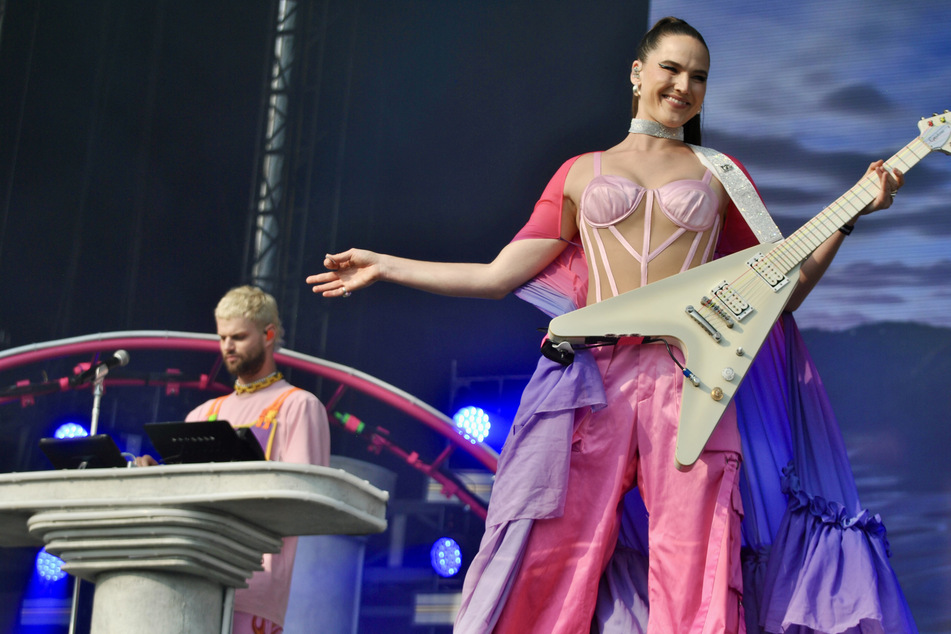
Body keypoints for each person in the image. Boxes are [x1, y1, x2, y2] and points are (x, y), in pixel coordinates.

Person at [306, 17, 912, 634]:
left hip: (691, 380)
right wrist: (385, 265)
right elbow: (495, 276)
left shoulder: (723, 174)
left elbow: (783, 294)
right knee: (552, 553)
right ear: (637, 72)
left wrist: (848, 217)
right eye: (671, 68)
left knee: (696, 560)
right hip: (590, 378)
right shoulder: (578, 171)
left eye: (698, 76)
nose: (683, 86)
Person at [137, 285, 330, 634]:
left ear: (269, 335)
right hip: (191, 578)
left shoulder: (299, 405)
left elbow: (307, 501)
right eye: (222, 337)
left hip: (256, 587)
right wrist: (155, 476)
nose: (227, 346)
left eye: (239, 336)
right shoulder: (202, 413)